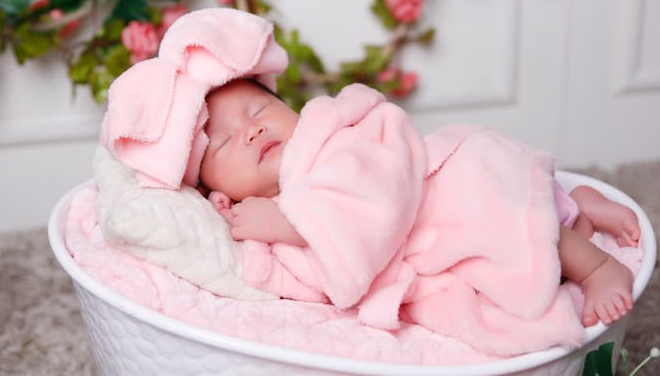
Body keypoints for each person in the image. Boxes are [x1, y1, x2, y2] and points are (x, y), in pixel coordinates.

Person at [199, 78, 641, 328]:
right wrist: (257, 226)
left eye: (258, 111)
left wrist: (283, 220)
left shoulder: (333, 138)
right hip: (430, 234)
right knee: (511, 257)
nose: (251, 132)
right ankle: (581, 209)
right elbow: (319, 280)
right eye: (221, 144)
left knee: (510, 225)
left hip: (449, 182)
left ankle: (600, 268)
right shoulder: (266, 214)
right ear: (217, 191)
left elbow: (367, 191)